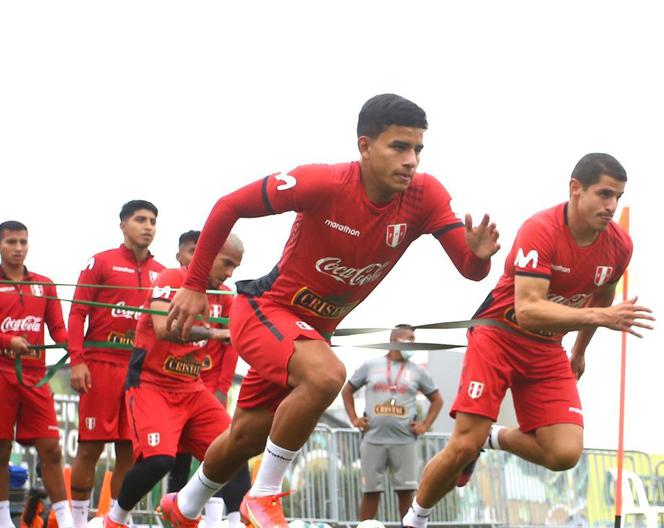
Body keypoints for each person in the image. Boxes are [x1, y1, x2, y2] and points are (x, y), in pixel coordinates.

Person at [162, 93, 500, 528]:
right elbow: (228, 206)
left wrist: (480, 256)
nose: (411, 160)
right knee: (326, 374)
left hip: (308, 333)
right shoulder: (322, 183)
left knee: (245, 436)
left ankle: (184, 505)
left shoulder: (425, 196)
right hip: (265, 310)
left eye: (418, 149)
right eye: (399, 147)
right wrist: (193, 286)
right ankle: (261, 496)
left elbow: (471, 269)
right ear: (364, 146)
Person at [403, 153, 654, 527]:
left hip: (548, 348)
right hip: (498, 337)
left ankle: (493, 438)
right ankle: (415, 521)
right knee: (462, 445)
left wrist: (580, 353)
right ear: (575, 189)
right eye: (604, 194)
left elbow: (602, 299)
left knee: (564, 453)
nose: (611, 206)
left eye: (618, 196)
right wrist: (599, 316)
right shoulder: (541, 229)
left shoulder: (619, 246)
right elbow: (529, 309)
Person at [104, 234, 244, 528]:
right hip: (152, 385)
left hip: (192, 388)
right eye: (227, 263)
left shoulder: (225, 295)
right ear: (207, 255)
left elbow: (240, 336)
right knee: (159, 461)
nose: (230, 273)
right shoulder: (172, 277)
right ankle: (115, 520)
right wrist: (216, 334)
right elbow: (162, 327)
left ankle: (235, 522)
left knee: (234, 449)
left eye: (236, 267)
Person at [67, 200, 166, 527]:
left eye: (153, 220)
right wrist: (78, 361)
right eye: (140, 219)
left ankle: (114, 520)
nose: (148, 226)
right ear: (123, 224)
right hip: (100, 365)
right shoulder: (101, 262)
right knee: (89, 449)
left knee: (130, 452)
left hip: (138, 373)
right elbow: (77, 312)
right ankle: (79, 522)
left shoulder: (162, 274)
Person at [0, 221, 73, 528]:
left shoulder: (45, 284)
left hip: (34, 375)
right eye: (11, 242)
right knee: (0, 450)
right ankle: (4, 522)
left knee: (51, 448)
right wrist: (8, 341)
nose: (18, 248)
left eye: (23, 242)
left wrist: (74, 345)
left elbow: (58, 328)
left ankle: (67, 521)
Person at [167, 230, 247, 528]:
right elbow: (164, 335)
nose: (193, 258)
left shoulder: (226, 296)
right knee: (177, 458)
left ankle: (231, 518)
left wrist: (221, 389)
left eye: (197, 252)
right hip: (176, 386)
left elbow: (230, 349)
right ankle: (175, 514)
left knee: (223, 451)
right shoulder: (173, 287)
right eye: (189, 252)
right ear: (181, 257)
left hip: (207, 389)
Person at [341, 325, 442, 520]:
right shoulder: (370, 365)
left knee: (406, 492)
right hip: (372, 439)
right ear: (394, 341)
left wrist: (424, 425)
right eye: (410, 339)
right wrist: (354, 418)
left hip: (405, 441)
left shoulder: (417, 371)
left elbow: (437, 400)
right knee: (370, 492)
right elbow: (347, 391)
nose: (414, 344)